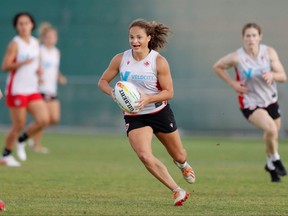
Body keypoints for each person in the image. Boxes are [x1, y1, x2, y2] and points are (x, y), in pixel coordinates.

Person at [98, 19, 196, 206]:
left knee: (179, 155)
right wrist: (112, 92)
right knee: (144, 154)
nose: (135, 41)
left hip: (159, 111)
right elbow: (102, 82)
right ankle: (177, 190)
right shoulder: (121, 59)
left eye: (139, 37)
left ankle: (183, 165)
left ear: (149, 38)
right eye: (131, 37)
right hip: (135, 116)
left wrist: (148, 99)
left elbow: (169, 92)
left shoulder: (158, 61)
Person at [213, 23, 287, 182]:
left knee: (271, 135)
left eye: (254, 35)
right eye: (248, 36)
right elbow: (218, 67)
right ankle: (276, 159)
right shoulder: (237, 57)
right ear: (243, 38)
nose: (251, 39)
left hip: (270, 99)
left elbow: (283, 76)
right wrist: (232, 83)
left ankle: (270, 166)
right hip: (250, 102)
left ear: (260, 37)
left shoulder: (269, 52)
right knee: (271, 129)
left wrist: (273, 75)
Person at [0, 12, 49, 167]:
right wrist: (22, 62)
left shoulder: (35, 43)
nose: (23, 26)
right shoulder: (15, 44)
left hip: (32, 89)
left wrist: (39, 71)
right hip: (17, 89)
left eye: (26, 23)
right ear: (16, 26)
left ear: (32, 25)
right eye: (20, 24)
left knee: (44, 120)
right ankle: (5, 155)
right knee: (19, 124)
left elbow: (37, 64)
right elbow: (5, 66)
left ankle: (22, 139)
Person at [27, 22, 67, 153]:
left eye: (54, 36)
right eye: (49, 36)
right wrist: (37, 76)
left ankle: (29, 132)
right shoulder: (39, 50)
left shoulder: (56, 52)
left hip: (52, 89)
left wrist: (59, 76)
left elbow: (54, 69)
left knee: (54, 119)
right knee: (43, 120)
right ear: (44, 37)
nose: (52, 38)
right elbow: (32, 67)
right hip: (40, 89)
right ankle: (35, 143)